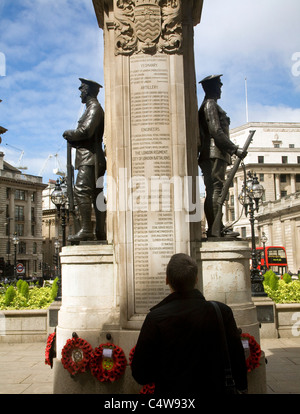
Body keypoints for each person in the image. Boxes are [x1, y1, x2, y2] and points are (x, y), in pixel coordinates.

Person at [131, 253, 248, 394]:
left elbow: (141, 374)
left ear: (167, 280)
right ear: (196, 279)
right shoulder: (222, 312)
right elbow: (238, 362)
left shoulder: (155, 318)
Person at [198, 74, 247, 238]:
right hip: (213, 152)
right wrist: (234, 149)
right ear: (212, 87)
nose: (221, 88)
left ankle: (217, 227)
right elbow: (215, 131)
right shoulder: (210, 104)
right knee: (215, 190)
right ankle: (215, 229)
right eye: (219, 85)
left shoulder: (211, 105)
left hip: (215, 153)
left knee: (217, 190)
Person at [63, 78, 106, 242]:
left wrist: (69, 133)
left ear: (87, 91)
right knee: (97, 195)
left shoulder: (94, 108)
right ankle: (100, 232)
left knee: (81, 190)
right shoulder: (91, 108)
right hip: (92, 158)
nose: (80, 92)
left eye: (81, 89)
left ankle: (87, 230)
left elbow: (86, 131)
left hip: (91, 159)